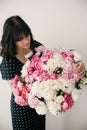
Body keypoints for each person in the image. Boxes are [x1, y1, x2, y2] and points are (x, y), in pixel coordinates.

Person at [0, 15, 85, 130]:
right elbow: (21, 97)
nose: (26, 41)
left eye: (27, 35)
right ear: (11, 40)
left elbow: (56, 61)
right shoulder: (8, 61)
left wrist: (77, 62)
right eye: (20, 39)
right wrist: (48, 92)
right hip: (23, 110)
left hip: (40, 106)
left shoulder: (35, 46)